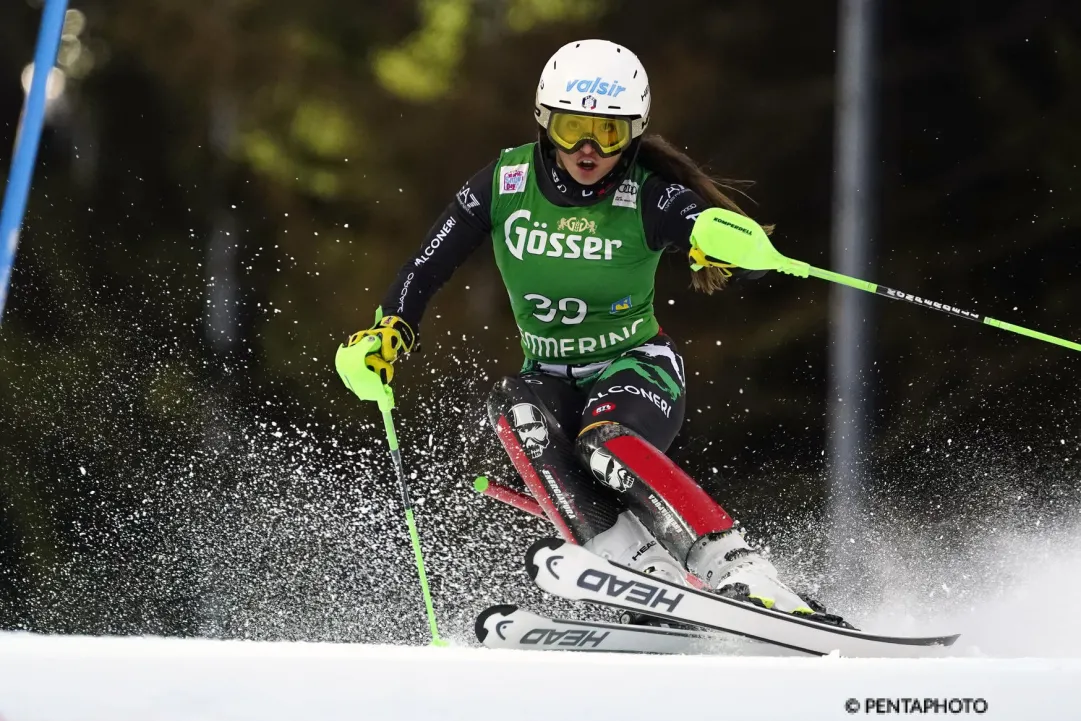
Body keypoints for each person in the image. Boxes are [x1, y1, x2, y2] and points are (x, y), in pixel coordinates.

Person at [336, 39, 843, 625]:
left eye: (608, 133)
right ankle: (637, 576)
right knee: (514, 408)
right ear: (545, 120)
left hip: (636, 368)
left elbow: (733, 247)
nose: (586, 148)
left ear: (633, 132)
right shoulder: (505, 182)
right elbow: (428, 263)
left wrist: (731, 239)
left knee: (602, 441)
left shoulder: (648, 195)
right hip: (549, 377)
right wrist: (389, 329)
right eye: (573, 126)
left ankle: (737, 568)